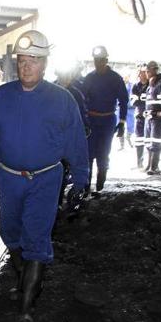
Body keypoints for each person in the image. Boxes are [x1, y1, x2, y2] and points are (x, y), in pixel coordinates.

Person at [0, 30, 88, 322]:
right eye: (21, 60)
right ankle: (25, 277)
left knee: (37, 239)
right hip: (9, 177)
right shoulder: (0, 97)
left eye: (33, 60)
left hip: (45, 179)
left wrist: (80, 181)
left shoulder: (62, 100)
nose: (26, 66)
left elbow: (76, 142)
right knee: (10, 233)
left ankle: (26, 308)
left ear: (44, 64)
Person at [81, 45, 129, 196]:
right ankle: (86, 188)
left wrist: (121, 122)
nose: (98, 63)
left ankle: (100, 187)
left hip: (107, 121)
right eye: (96, 60)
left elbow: (123, 100)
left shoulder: (115, 79)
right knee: (88, 155)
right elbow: (81, 100)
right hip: (91, 121)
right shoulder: (89, 78)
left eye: (101, 60)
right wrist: (83, 121)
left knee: (103, 154)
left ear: (106, 60)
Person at [55, 65, 90, 212]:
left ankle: (62, 197)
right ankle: (54, 200)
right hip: (52, 137)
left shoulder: (76, 94)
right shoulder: (48, 90)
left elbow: (82, 115)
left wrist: (85, 129)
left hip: (67, 137)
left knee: (63, 168)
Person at [143, 60, 161, 174]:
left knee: (155, 142)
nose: (147, 73)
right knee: (149, 142)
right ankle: (148, 165)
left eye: (149, 71)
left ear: (155, 70)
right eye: (147, 71)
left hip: (158, 119)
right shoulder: (150, 85)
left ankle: (153, 167)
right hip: (150, 118)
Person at [130, 65, 149, 169]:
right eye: (141, 72)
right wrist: (142, 101)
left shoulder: (152, 85)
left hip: (150, 117)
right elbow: (133, 102)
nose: (143, 74)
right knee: (139, 140)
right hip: (139, 117)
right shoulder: (135, 86)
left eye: (145, 72)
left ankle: (151, 165)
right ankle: (139, 163)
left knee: (151, 141)